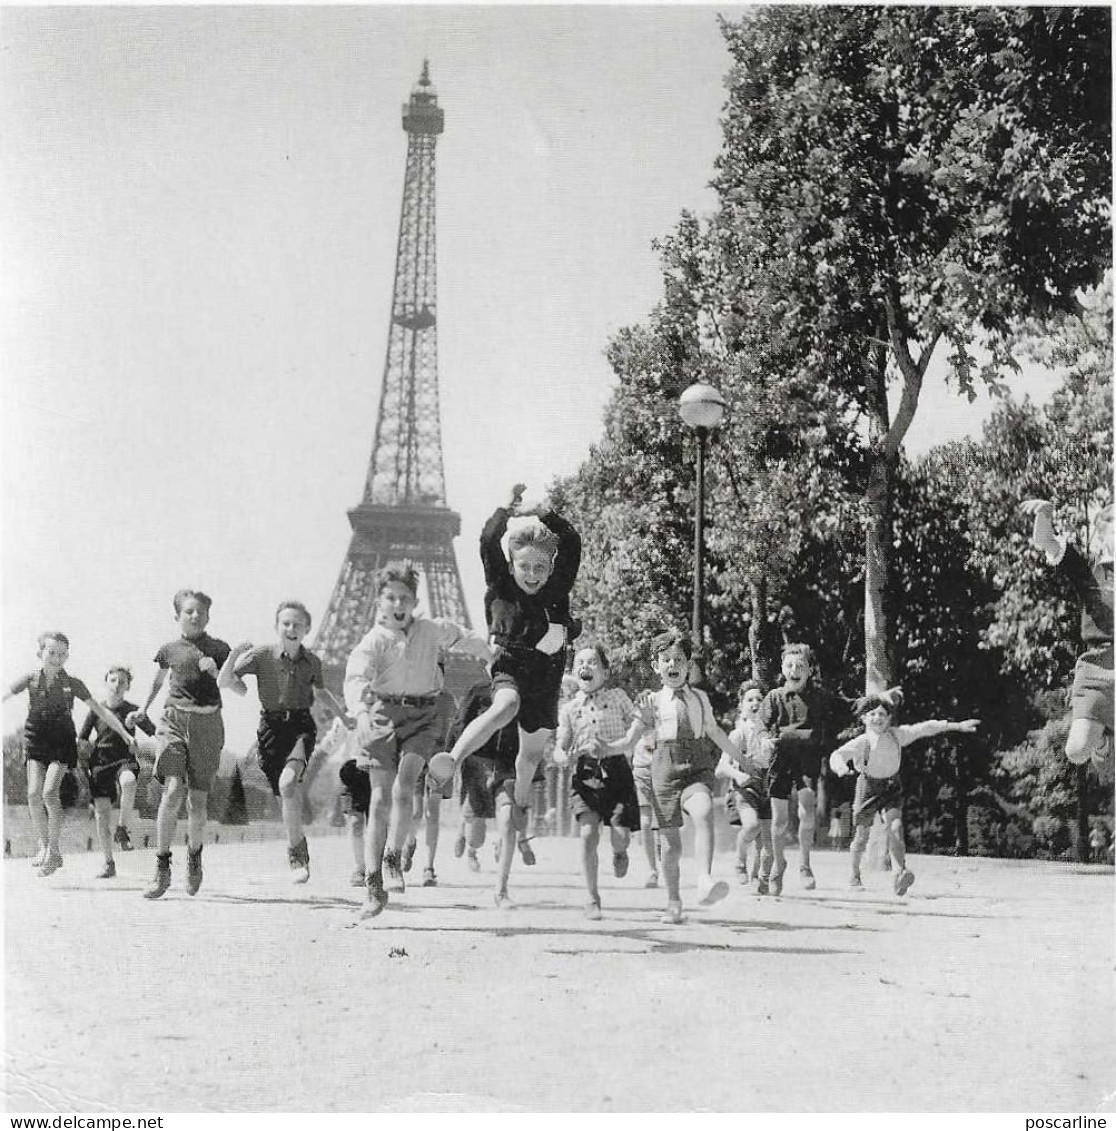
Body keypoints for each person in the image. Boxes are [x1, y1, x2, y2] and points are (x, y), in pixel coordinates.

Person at [344, 562, 491, 919]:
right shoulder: (373, 640)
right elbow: (355, 677)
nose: (398, 604)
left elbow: (465, 637)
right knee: (379, 799)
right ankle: (374, 880)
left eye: (405, 598)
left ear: (415, 601)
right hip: (382, 714)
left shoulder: (431, 630)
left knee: (405, 787)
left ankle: (393, 856)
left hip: (422, 715)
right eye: (391, 597)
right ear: (379, 602)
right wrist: (360, 714)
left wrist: (491, 657)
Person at [435, 484, 581, 837]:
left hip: (547, 673)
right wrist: (506, 509)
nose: (532, 574)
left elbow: (572, 543)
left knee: (530, 756)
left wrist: (544, 512)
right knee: (506, 704)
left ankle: (519, 803)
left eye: (540, 567)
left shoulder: (557, 589)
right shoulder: (501, 584)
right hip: (510, 663)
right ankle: (452, 760)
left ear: (550, 568)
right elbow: (488, 540)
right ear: (511, 565)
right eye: (525, 566)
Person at [624, 629, 742, 923]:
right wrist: (608, 748)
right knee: (672, 846)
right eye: (666, 660)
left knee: (703, 813)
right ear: (656, 666)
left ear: (689, 665)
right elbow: (631, 739)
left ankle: (704, 879)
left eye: (679, 659)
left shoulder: (700, 698)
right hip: (663, 769)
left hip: (697, 766)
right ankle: (673, 900)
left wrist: (744, 762)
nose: (672, 665)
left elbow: (714, 732)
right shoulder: (650, 700)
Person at [5, 632, 137, 876]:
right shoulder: (30, 679)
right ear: (40, 654)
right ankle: (44, 845)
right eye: (51, 652)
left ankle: (54, 853)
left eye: (62, 654)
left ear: (67, 656)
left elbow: (102, 711)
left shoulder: (73, 683)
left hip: (62, 743)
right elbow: (5, 694)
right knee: (34, 794)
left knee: (49, 792)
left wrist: (126, 734)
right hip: (35, 741)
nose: (56, 658)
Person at [128, 590, 231, 899]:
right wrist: (144, 708)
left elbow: (236, 686)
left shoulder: (220, 648)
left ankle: (194, 857)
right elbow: (158, 681)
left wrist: (217, 672)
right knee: (173, 789)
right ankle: (161, 867)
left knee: (197, 802)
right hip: (173, 721)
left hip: (208, 724)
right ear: (177, 616)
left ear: (208, 616)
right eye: (189, 611)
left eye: (200, 612)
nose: (195, 616)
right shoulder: (169, 649)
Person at [829, 688, 979, 895]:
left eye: (882, 714)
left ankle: (899, 873)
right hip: (867, 788)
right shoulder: (861, 742)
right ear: (864, 718)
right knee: (861, 835)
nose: (877, 717)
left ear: (889, 718)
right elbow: (837, 755)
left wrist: (957, 726)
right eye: (872, 713)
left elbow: (925, 728)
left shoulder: (897, 736)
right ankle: (854, 874)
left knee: (896, 826)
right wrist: (840, 767)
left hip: (891, 786)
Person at [218, 600, 326, 884]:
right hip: (271, 729)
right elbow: (227, 682)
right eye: (286, 623)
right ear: (277, 627)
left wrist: (347, 718)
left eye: (297, 624)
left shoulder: (313, 661)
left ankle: (296, 855)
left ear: (307, 629)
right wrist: (232, 656)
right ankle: (297, 845)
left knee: (288, 785)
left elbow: (323, 694)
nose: (291, 628)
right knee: (284, 794)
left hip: (301, 725)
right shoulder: (262, 654)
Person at [1022, 499, 1113, 765]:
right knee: (1076, 752)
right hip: (1097, 665)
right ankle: (1100, 738)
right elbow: (1045, 540)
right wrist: (1045, 514)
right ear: (1105, 536)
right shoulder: (1089, 571)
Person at [553, 644, 640, 920]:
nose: (585, 667)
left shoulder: (618, 696)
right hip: (585, 774)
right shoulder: (569, 708)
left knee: (621, 836)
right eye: (580, 663)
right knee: (588, 835)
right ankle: (592, 897)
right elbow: (559, 747)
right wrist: (563, 756)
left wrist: (618, 746)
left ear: (605, 671)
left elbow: (637, 725)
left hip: (617, 772)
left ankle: (619, 852)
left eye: (592, 662)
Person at [758, 642, 837, 895]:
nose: (794, 670)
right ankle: (778, 864)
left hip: (807, 760)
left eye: (800, 666)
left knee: (806, 810)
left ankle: (804, 865)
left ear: (810, 670)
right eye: (790, 665)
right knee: (779, 820)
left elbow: (846, 705)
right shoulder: (774, 697)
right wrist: (763, 738)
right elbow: (761, 723)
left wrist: (875, 700)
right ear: (782, 668)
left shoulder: (820, 697)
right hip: (780, 760)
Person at [450, 678, 528, 906]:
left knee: (507, 823)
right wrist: (449, 759)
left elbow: (532, 733)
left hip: (506, 766)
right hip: (477, 765)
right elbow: (459, 724)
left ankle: (501, 891)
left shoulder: (525, 694)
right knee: (477, 838)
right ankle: (468, 838)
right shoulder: (479, 690)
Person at [77, 665, 156, 877]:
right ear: (106, 683)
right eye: (113, 680)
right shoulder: (96, 711)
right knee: (102, 816)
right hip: (100, 763)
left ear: (128, 685)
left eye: (122, 681)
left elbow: (154, 732)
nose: (117, 684)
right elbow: (83, 738)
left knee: (129, 782)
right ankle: (108, 863)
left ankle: (122, 829)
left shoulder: (133, 709)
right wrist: (81, 758)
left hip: (125, 759)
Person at [720, 679, 774, 894]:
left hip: (767, 788)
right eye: (750, 699)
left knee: (765, 842)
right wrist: (738, 774)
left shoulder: (770, 733)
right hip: (744, 790)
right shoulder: (739, 734)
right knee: (752, 826)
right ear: (741, 705)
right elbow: (722, 766)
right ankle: (739, 861)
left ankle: (757, 879)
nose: (755, 703)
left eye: (760, 699)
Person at [400, 687, 458, 887]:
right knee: (415, 813)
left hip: (439, 761)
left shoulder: (449, 700)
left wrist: (449, 762)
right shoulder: (413, 696)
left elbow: (455, 733)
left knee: (432, 814)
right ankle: (409, 842)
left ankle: (429, 868)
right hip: (416, 757)